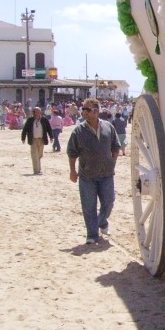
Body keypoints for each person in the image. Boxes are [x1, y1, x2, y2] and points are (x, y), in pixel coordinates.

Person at [66, 99, 121, 244]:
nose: (83, 111)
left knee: (109, 202)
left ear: (96, 111)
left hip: (107, 174)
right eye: (83, 109)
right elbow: (72, 153)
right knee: (89, 206)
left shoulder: (108, 127)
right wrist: (72, 171)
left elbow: (116, 147)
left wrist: (112, 162)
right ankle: (92, 234)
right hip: (87, 175)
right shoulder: (78, 131)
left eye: (87, 109)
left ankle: (102, 222)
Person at [21, 106, 53, 175]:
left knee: (39, 155)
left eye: (39, 111)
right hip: (33, 139)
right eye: (36, 111)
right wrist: (23, 138)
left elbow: (49, 128)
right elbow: (25, 129)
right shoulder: (30, 120)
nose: (38, 113)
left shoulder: (44, 120)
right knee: (34, 155)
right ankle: (36, 171)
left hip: (41, 139)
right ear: (34, 112)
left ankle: (39, 168)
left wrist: (51, 137)